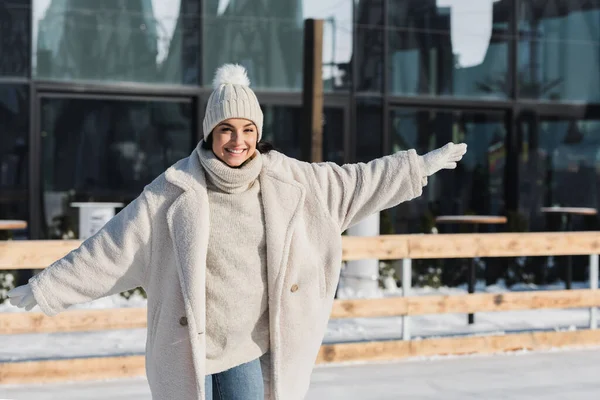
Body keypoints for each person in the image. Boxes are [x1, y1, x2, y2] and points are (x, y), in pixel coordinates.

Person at [8, 64, 467, 400]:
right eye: (226, 129)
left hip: (248, 347)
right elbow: (111, 248)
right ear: (210, 134)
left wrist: (416, 168)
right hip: (187, 346)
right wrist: (48, 287)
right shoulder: (174, 191)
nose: (238, 140)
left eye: (248, 129)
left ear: (258, 132)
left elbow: (359, 181)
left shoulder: (294, 183)